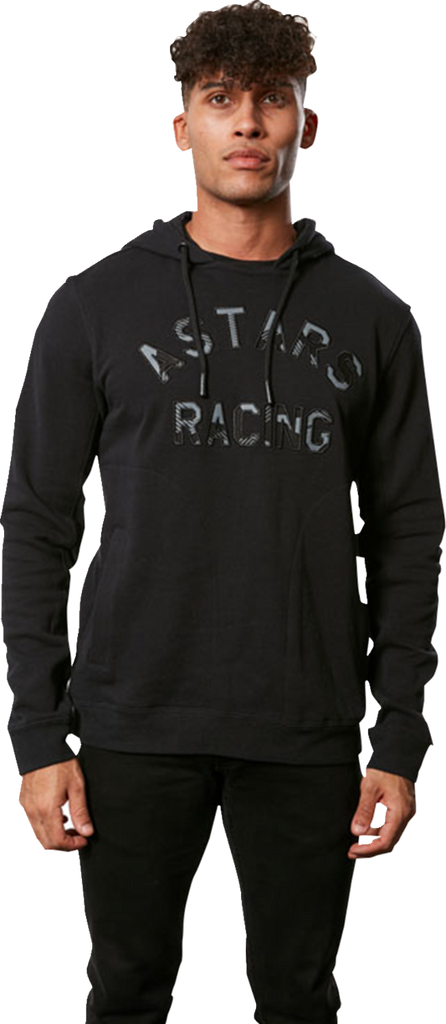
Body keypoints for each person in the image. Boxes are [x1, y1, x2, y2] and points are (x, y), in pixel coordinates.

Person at [2, 3, 444, 1022]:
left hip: (307, 722)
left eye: (272, 100)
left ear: (306, 125)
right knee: (125, 992)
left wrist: (396, 735)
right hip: (131, 716)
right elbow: (36, 521)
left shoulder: (373, 317)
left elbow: (408, 531)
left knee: (297, 997)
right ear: (181, 128)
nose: (246, 123)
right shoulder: (93, 304)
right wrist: (37, 734)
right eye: (219, 100)